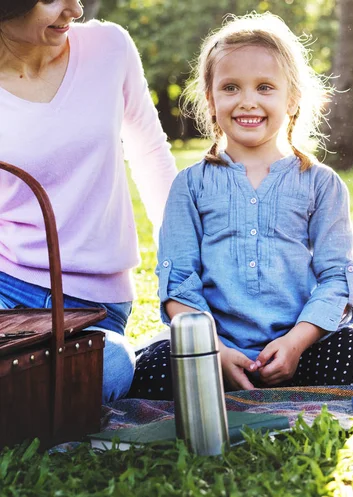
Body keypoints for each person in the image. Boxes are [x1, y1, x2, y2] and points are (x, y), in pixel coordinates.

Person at [129, 12, 353, 398]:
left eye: (265, 87)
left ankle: (288, 368)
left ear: (293, 98)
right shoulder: (191, 185)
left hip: (305, 345)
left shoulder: (322, 184)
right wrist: (214, 350)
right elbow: (178, 282)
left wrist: (297, 343)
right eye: (231, 88)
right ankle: (226, 370)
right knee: (142, 374)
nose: (247, 101)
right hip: (212, 348)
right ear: (211, 99)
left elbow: (336, 277)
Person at [0, 0, 178, 402]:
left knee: (111, 368)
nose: (75, 10)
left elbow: (150, 153)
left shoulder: (109, 47)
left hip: (94, 305)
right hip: (7, 286)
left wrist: (185, 267)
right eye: (52, 0)